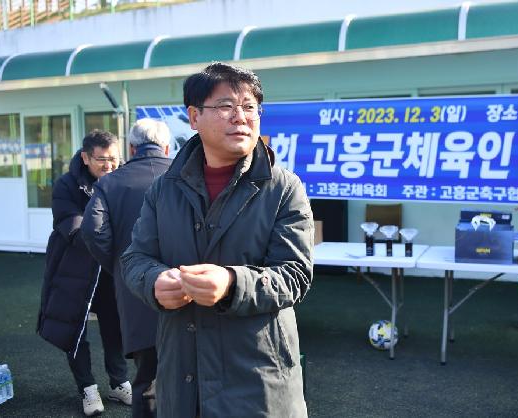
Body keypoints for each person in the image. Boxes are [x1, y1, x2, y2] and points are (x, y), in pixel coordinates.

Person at [121, 62, 314, 417]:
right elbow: (135, 258)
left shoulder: (284, 187)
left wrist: (231, 282)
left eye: (250, 107)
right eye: (226, 106)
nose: (240, 117)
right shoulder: (165, 189)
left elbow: (296, 275)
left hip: (258, 378)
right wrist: (153, 281)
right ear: (194, 117)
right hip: (183, 374)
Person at [37, 130, 132, 417]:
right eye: (101, 159)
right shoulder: (66, 185)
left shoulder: (122, 180)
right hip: (73, 268)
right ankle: (87, 388)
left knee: (115, 326)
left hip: (109, 271)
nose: (109, 166)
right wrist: (113, 240)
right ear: (85, 157)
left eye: (114, 159)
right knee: (74, 328)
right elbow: (72, 225)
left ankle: (119, 382)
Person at [82, 119, 172, 418]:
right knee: (193, 376)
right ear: (168, 147)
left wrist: (120, 267)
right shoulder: (185, 175)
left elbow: (93, 231)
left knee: (146, 380)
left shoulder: (109, 182)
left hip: (136, 291)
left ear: (132, 148)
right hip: (188, 288)